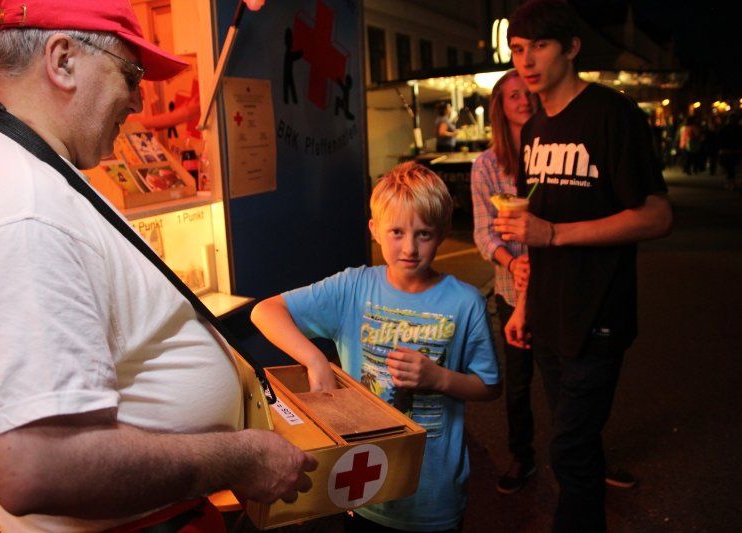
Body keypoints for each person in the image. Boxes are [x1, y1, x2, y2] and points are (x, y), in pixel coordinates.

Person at [0, 1, 316, 531]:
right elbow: (35, 465)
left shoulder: (5, 159)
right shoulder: (19, 206)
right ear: (63, 61)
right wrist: (241, 459)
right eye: (131, 75)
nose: (139, 101)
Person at [496, 1, 672, 531]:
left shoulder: (612, 114)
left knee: (568, 448)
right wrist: (523, 304)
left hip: (599, 312)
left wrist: (555, 233)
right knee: (576, 439)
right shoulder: (534, 131)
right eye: (518, 49)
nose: (527, 61)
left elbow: (657, 215)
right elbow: (535, 231)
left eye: (540, 46)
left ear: (571, 48)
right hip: (549, 316)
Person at [251, 161, 501, 532]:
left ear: (444, 233)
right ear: (374, 230)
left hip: (432, 493)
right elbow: (265, 311)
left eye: (424, 234)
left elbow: (489, 385)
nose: (410, 248)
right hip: (363, 486)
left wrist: (438, 378)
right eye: (397, 232)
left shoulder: (467, 303)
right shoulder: (352, 288)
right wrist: (317, 361)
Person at [471, 69, 536, 494]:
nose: (524, 100)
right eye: (514, 95)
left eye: (528, 93)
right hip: (512, 291)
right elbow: (483, 233)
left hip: (558, 286)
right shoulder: (487, 165)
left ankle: (585, 457)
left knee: (571, 378)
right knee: (519, 382)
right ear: (501, 106)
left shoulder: (552, 155)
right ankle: (522, 456)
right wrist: (512, 264)